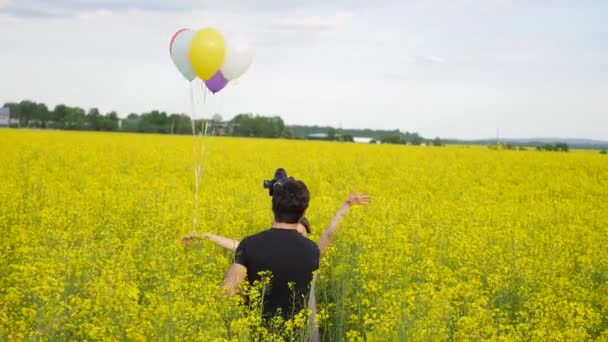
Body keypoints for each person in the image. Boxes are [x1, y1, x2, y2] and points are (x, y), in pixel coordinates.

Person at [182, 183, 370, 336]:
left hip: (256, 334)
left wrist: (246, 293)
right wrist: (345, 206)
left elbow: (227, 292)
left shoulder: (250, 245)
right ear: (303, 212)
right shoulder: (311, 251)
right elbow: (327, 236)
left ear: (273, 208)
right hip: (297, 337)